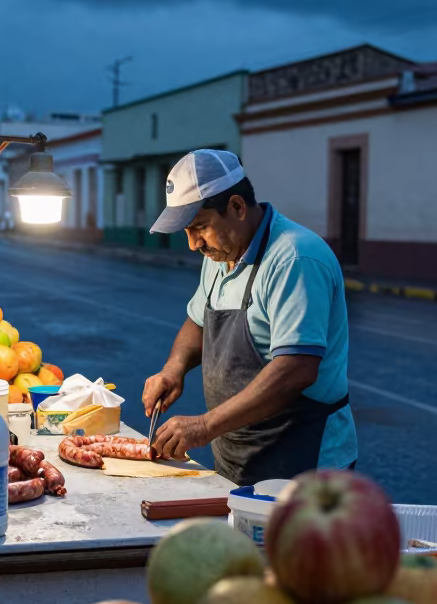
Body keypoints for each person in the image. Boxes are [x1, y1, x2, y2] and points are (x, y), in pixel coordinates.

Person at [142, 149, 357, 484]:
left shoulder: (295, 258)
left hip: (304, 463)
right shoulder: (219, 255)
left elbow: (296, 369)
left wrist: (204, 426)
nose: (192, 244)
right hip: (238, 454)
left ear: (237, 207)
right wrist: (173, 369)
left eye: (199, 227)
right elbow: (198, 321)